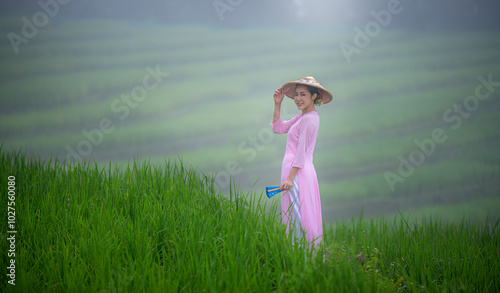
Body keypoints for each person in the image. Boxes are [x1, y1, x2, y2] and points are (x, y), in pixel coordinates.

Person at [270, 76, 333, 249]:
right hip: (296, 172)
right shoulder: (302, 117)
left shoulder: (308, 120)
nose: (298, 98)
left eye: (303, 94)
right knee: (296, 213)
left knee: (298, 216)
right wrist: (277, 103)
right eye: (296, 94)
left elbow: (301, 153)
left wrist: (290, 178)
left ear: (314, 96)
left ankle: (303, 257)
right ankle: (302, 256)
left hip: (297, 174)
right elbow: (278, 128)